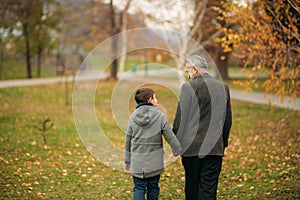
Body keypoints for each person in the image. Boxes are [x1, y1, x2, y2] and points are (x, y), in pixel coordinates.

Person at [172, 55, 232, 200]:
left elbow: (180, 120)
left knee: (192, 188)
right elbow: (227, 120)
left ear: (194, 69)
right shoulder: (223, 88)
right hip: (214, 149)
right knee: (209, 190)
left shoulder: (188, 88)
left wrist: (177, 145)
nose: (188, 75)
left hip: (191, 149)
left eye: (188, 72)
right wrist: (222, 143)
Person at [124, 87, 182, 200]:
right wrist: (178, 150)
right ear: (150, 100)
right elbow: (169, 136)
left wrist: (127, 161)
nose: (157, 100)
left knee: (139, 188)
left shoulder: (133, 117)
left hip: (137, 162)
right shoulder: (160, 116)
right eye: (155, 97)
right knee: (153, 188)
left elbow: (128, 141)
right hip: (155, 161)